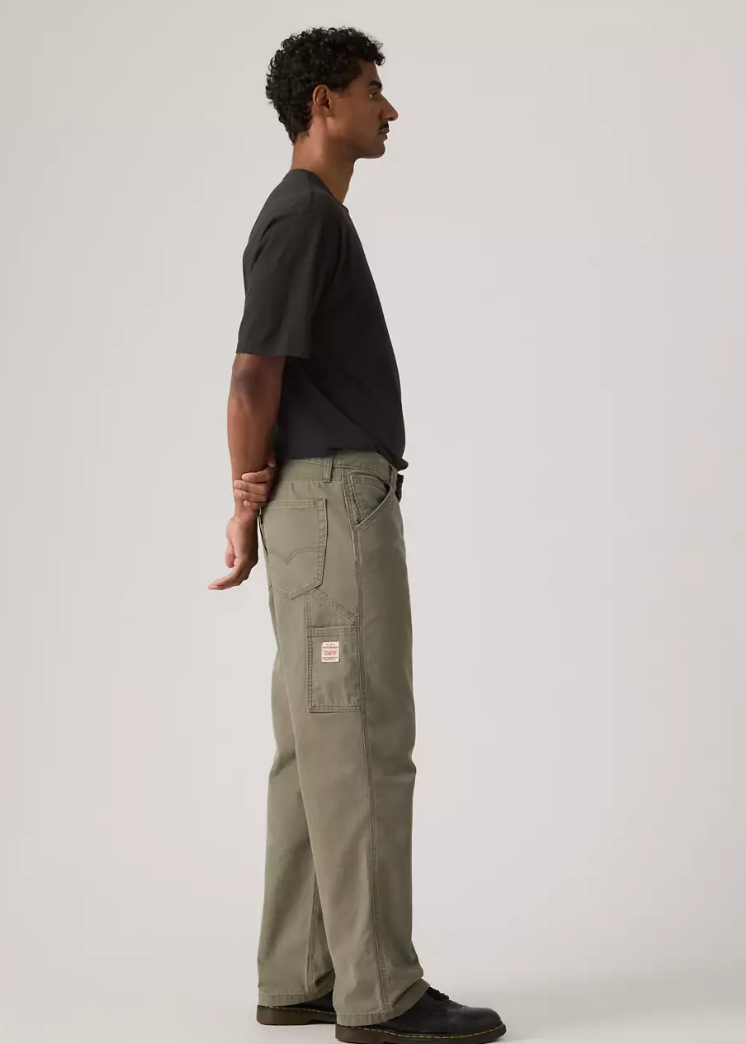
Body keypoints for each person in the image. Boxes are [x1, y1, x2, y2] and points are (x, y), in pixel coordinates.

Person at [208, 26, 506, 1044]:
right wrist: (243, 495)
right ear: (323, 102)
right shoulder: (304, 215)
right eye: (373, 88)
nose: (389, 108)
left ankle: (299, 974)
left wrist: (255, 494)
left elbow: (263, 376)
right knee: (364, 741)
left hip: (316, 506)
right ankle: (381, 996)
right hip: (334, 505)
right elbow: (251, 374)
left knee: (312, 745)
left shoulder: (307, 217)